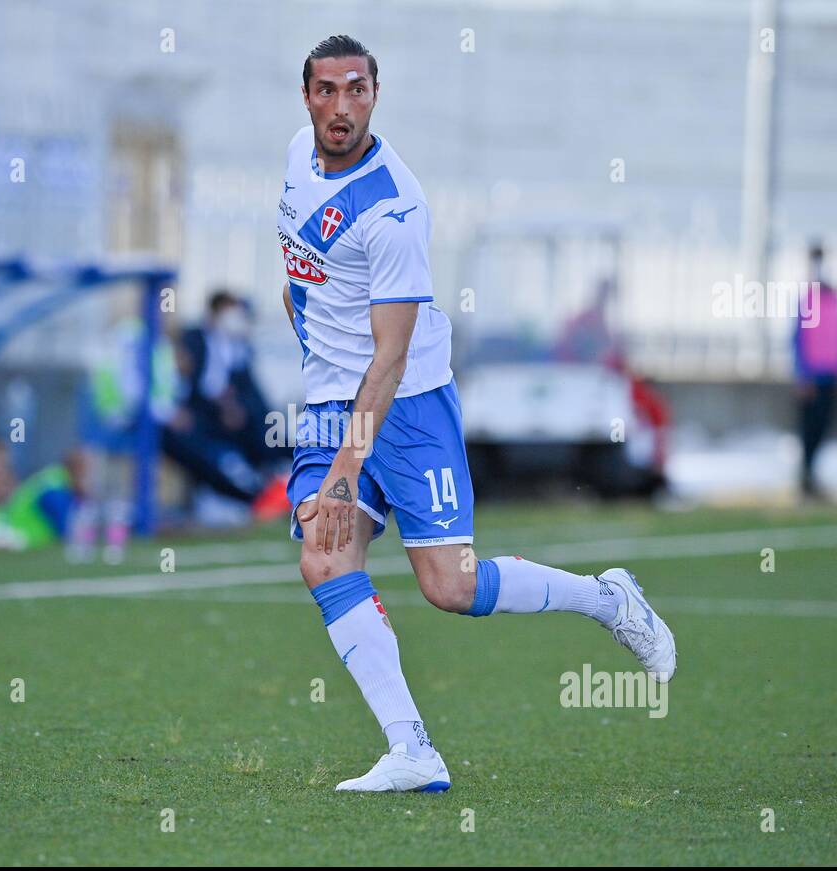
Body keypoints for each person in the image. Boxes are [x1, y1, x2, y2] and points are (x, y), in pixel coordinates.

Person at [279, 36, 676, 793]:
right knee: (325, 558)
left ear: (376, 94)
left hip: (408, 402)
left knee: (450, 587)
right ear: (307, 98)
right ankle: (413, 750)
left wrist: (342, 468)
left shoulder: (395, 209)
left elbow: (391, 359)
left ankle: (607, 597)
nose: (340, 106)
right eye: (326, 90)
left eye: (355, 90)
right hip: (332, 399)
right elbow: (299, 265)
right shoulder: (298, 155)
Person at [163, 292, 291, 519]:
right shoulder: (192, 338)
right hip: (200, 414)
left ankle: (277, 486)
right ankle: (253, 498)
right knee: (207, 452)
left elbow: (245, 387)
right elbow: (195, 382)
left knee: (265, 432)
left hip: (233, 416)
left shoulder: (237, 345)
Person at [793, 242, 837, 499]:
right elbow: (797, 339)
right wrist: (803, 374)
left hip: (832, 375)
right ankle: (805, 478)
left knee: (824, 425)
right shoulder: (808, 299)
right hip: (813, 376)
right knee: (810, 428)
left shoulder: (834, 299)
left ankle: (811, 475)